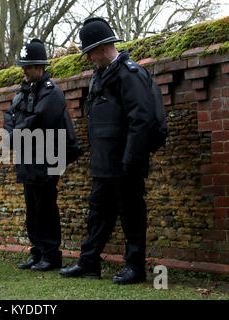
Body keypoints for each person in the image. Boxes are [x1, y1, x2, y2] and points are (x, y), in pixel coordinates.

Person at [59, 17, 156, 284]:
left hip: (126, 161)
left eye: (89, 52)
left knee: (132, 215)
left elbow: (141, 119)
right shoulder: (101, 75)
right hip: (104, 162)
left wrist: (131, 159)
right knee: (98, 213)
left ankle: (135, 267)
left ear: (102, 48)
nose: (88, 58)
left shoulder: (129, 74)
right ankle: (89, 262)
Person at [4, 38, 79, 272]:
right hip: (28, 158)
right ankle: (37, 252)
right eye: (23, 66)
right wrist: (14, 132)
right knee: (32, 208)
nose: (24, 70)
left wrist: (16, 130)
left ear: (41, 67)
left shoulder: (52, 92)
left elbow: (38, 121)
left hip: (48, 158)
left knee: (46, 207)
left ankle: (50, 254)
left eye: (29, 66)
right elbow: (10, 116)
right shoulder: (23, 92)